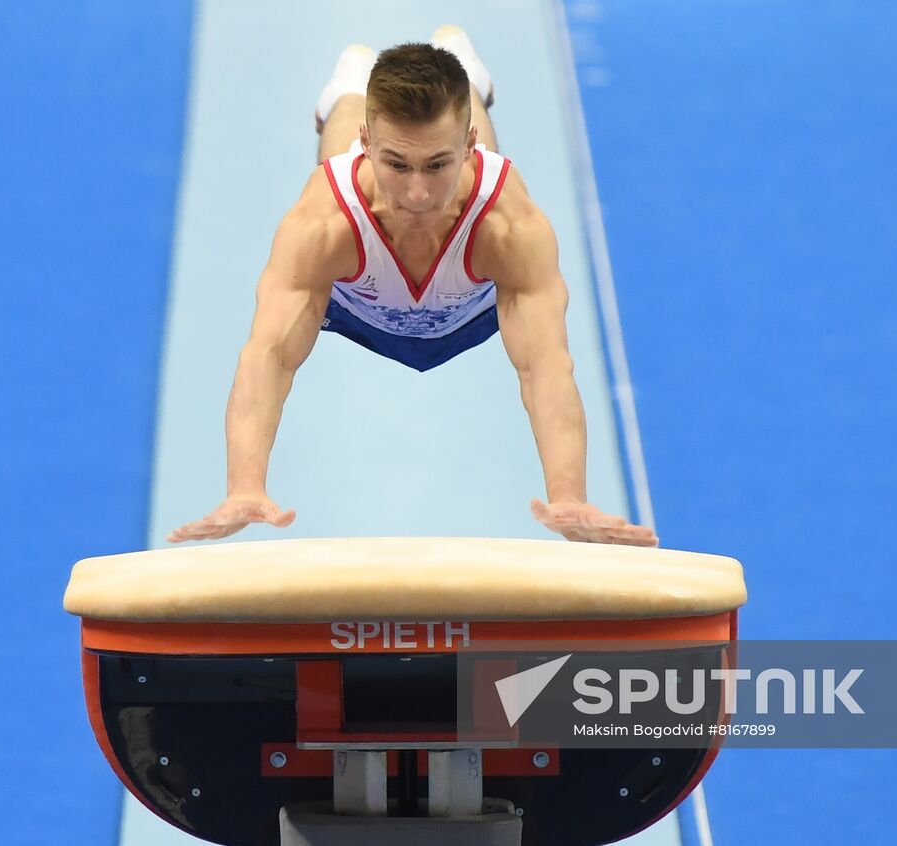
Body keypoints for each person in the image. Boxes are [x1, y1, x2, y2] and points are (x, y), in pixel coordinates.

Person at [167, 26, 658, 547]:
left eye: (439, 165)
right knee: (332, 163)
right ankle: (351, 83)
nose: (418, 193)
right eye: (396, 164)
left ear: (466, 149)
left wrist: (568, 496)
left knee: (485, 181)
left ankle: (462, 69)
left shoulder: (510, 226)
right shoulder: (323, 223)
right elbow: (270, 354)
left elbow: (545, 366)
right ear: (369, 142)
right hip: (360, 307)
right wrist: (245, 485)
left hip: (471, 309)